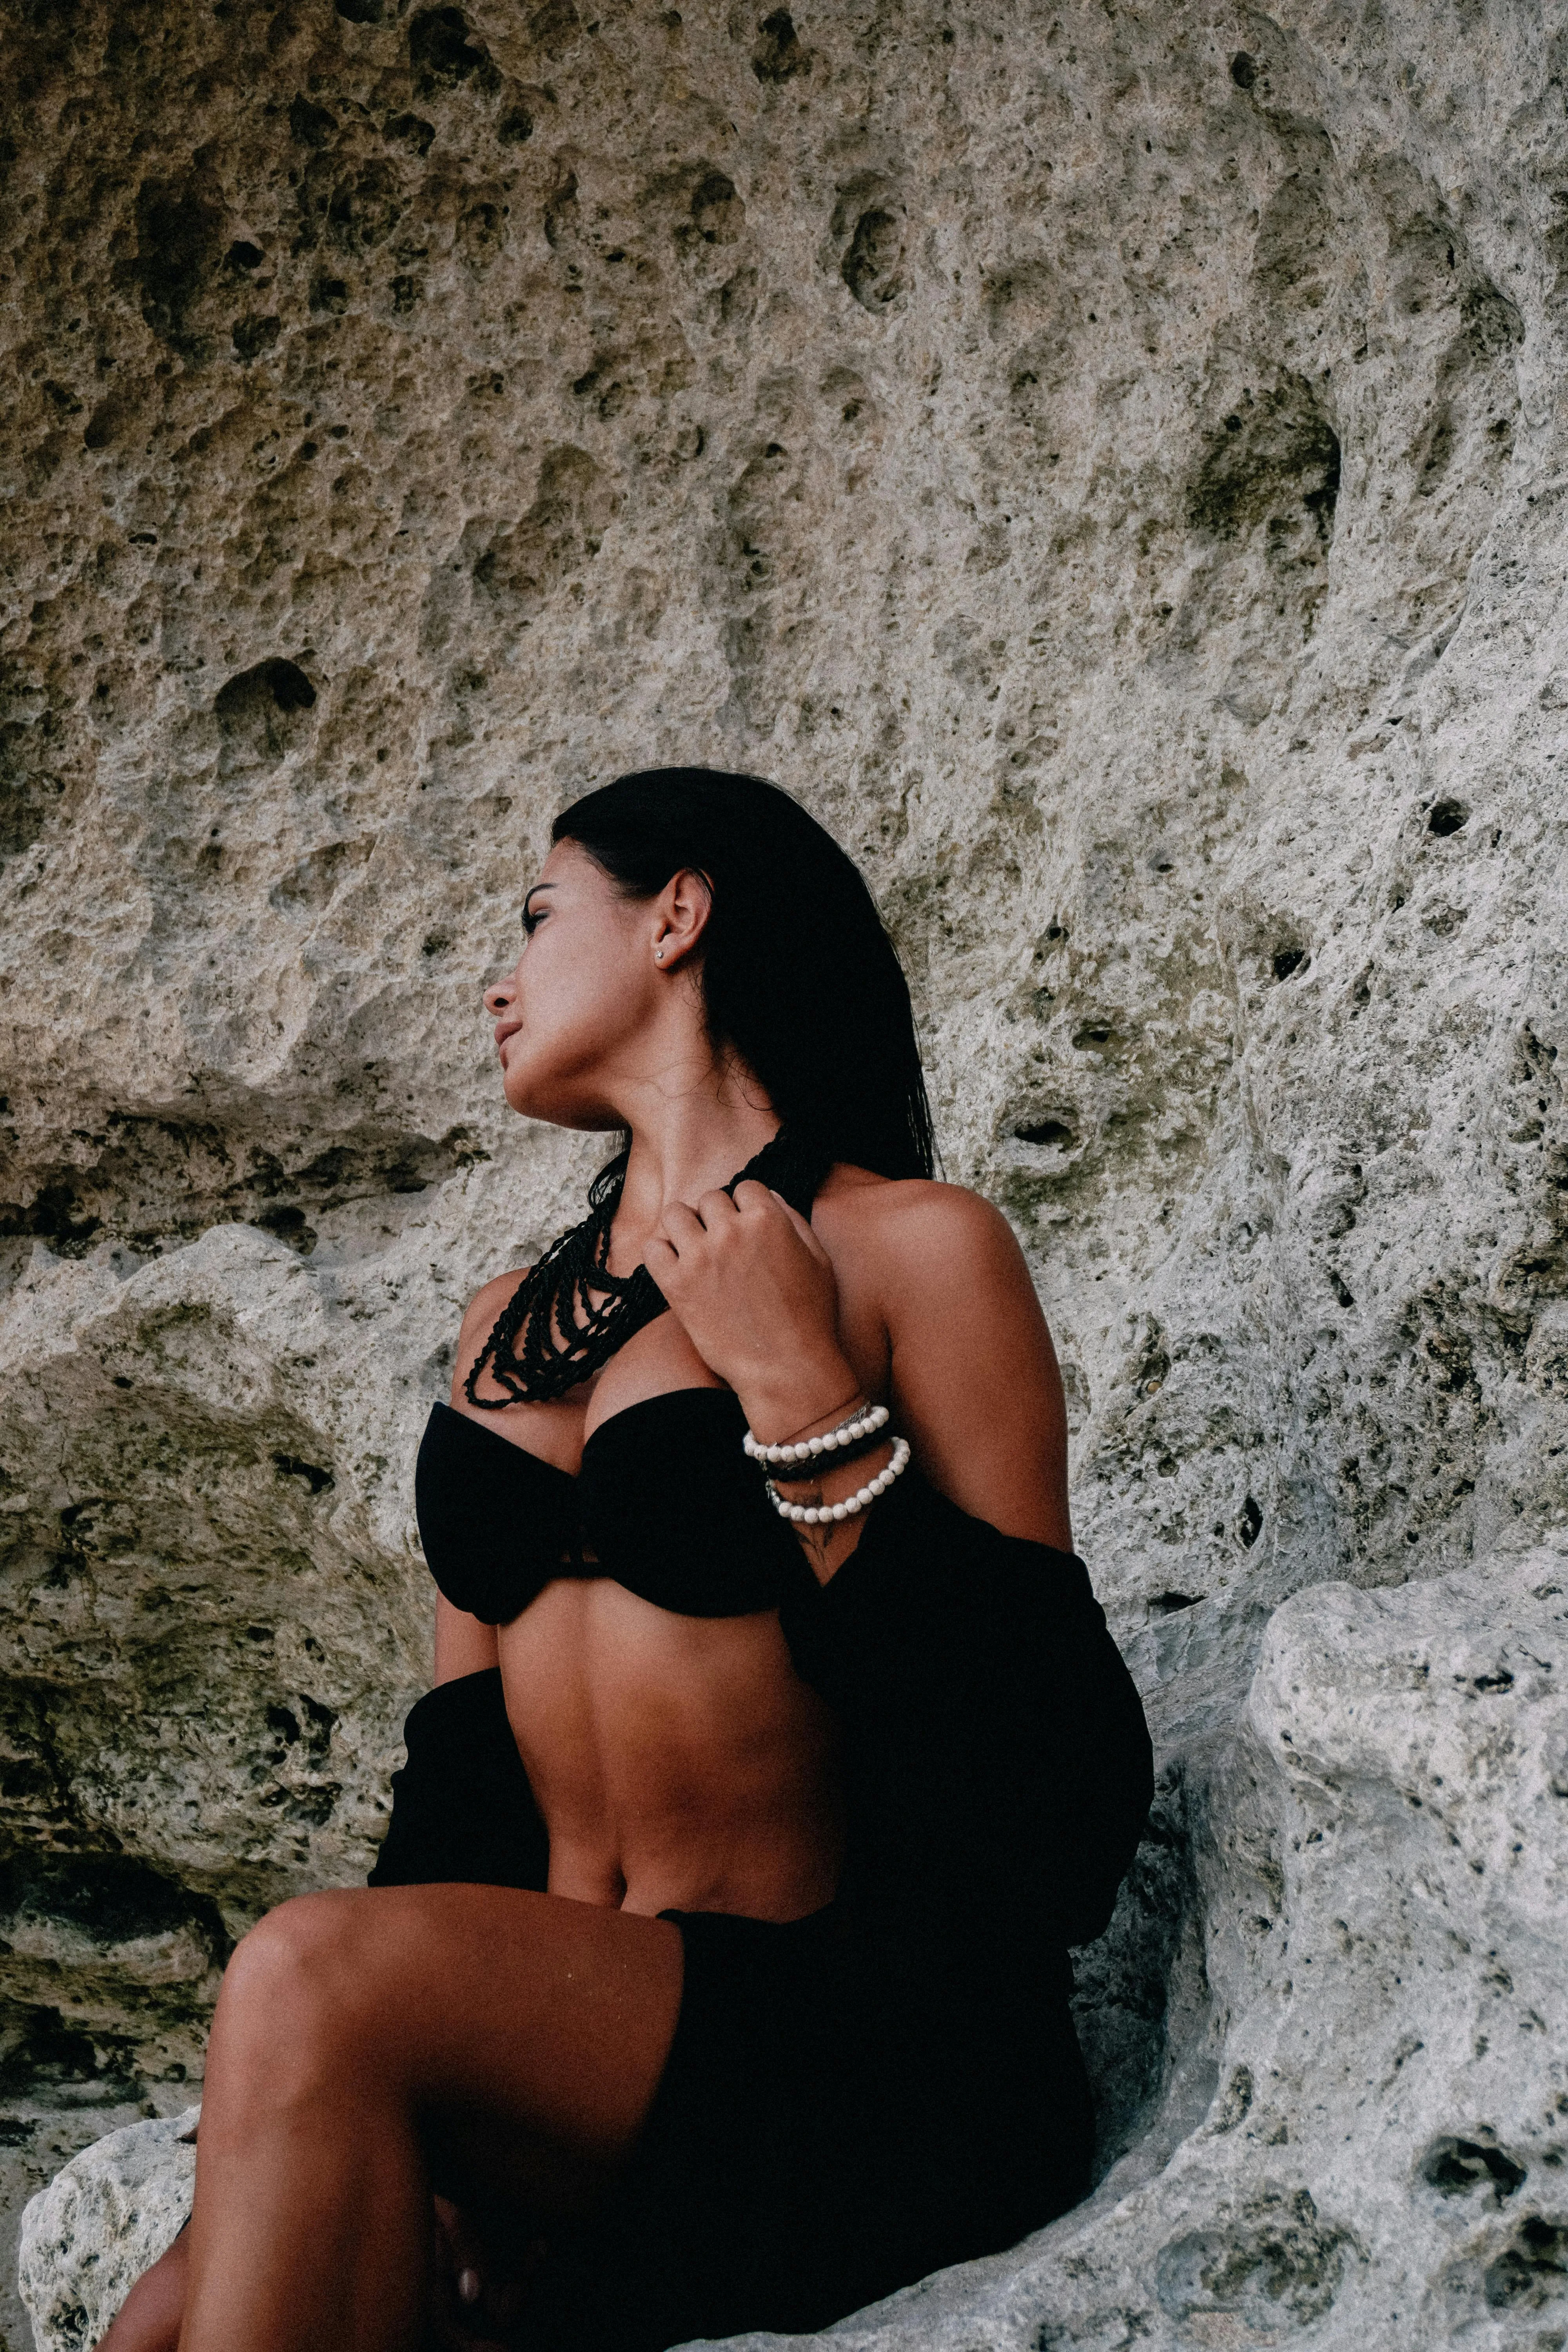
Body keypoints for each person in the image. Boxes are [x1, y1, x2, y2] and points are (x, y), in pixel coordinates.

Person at [103, 767, 1152, 2352]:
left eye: (537, 916)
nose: (497, 979)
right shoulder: (503, 1330)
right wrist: (431, 2135)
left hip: (857, 2061)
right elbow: (460, 1777)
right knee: (164, 2310)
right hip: (576, 2066)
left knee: (309, 1973)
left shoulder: (909, 1250)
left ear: (679, 912)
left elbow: (1052, 1792)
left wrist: (800, 1388)